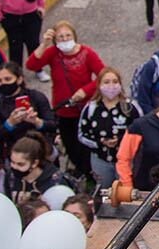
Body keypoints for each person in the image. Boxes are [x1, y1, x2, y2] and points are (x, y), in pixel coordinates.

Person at [25, 20, 103, 174]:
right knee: (70, 144)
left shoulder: (87, 53)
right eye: (60, 37)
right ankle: (80, 170)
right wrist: (44, 44)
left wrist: (85, 91)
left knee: (87, 144)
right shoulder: (53, 53)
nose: (65, 39)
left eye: (68, 35)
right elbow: (31, 65)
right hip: (64, 109)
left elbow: (103, 75)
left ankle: (90, 173)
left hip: (84, 108)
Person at [79, 66, 141, 189]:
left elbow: (141, 132)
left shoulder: (130, 107)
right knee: (103, 190)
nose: (111, 86)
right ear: (99, 85)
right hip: (100, 160)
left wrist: (122, 142)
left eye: (115, 81)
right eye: (106, 82)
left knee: (125, 192)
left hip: (126, 160)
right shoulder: (91, 108)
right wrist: (100, 142)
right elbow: (82, 134)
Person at [0, 61, 55, 158]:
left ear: (19, 79)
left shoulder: (36, 96)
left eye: (8, 79)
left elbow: (53, 125)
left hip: (42, 148)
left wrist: (36, 121)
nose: (3, 83)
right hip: (15, 153)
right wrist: (9, 123)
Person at [5, 132, 64, 204]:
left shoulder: (55, 181)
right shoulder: (11, 177)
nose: (14, 167)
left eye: (20, 164)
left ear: (34, 163)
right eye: (12, 162)